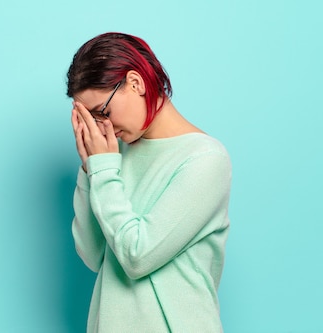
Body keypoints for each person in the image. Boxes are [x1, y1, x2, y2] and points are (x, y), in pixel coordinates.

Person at [67, 32, 232, 332]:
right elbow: (93, 256)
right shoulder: (111, 159)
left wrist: (103, 169)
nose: (101, 127)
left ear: (135, 83)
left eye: (102, 112)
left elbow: (137, 256)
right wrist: (90, 168)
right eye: (89, 120)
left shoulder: (205, 159)